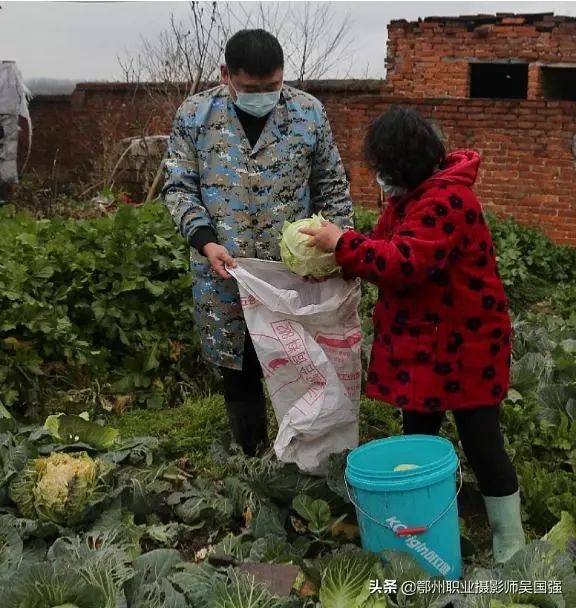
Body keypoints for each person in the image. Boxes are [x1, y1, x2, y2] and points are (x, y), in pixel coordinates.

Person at [300, 106, 525, 564]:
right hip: (427, 344)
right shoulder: (410, 198)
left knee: (482, 442)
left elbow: (404, 262)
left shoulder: (448, 201)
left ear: (402, 164)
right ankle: (423, 516)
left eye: (383, 166)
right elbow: (382, 246)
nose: (380, 176)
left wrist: (341, 243)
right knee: (417, 436)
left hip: (468, 345)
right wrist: (338, 264)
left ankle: (510, 538)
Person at [161, 29, 353, 457]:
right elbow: (179, 188)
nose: (263, 95)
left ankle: (308, 453)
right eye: (251, 88)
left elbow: (333, 187)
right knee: (240, 364)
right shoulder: (196, 115)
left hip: (293, 275)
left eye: (272, 87)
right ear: (227, 74)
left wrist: (338, 248)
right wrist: (205, 241)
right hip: (224, 271)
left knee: (300, 362)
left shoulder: (308, 113)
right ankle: (251, 453)